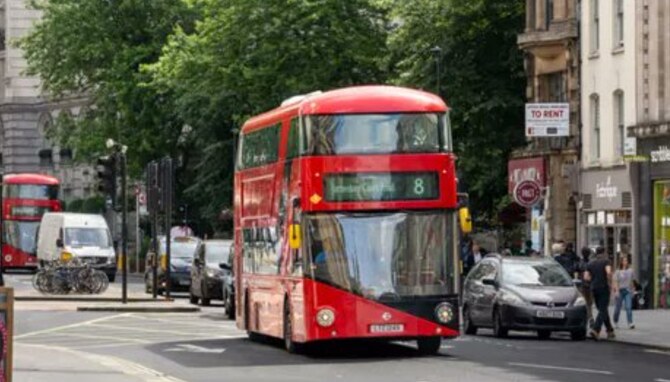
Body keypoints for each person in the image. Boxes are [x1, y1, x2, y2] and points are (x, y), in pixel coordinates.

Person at [585, 247, 615, 340]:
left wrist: (593, 280)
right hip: (603, 287)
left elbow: (586, 277)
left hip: (594, 288)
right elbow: (608, 272)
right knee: (602, 309)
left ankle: (610, 330)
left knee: (602, 309)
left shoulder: (590, 263)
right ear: (604, 253)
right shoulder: (606, 261)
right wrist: (610, 283)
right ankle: (596, 329)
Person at [613, 256, 635, 329]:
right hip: (620, 290)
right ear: (621, 262)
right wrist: (616, 291)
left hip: (628, 291)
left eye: (626, 260)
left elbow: (632, 281)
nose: (625, 262)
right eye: (624, 260)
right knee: (617, 308)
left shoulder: (631, 270)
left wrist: (633, 290)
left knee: (628, 307)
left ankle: (630, 322)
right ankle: (615, 321)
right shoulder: (617, 271)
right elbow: (615, 282)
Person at [578, 247, 594, 324]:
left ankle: (588, 317)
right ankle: (589, 317)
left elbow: (577, 271)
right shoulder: (591, 263)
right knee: (589, 302)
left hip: (583, 284)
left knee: (586, 302)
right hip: (588, 284)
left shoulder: (580, 263)